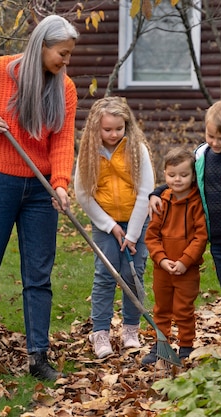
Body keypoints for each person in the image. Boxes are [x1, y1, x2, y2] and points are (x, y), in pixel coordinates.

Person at [0, 15, 79, 382]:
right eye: (62, 54)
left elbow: (63, 140)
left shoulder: (64, 89)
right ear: (42, 45)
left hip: (41, 191)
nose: (66, 62)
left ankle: (38, 358)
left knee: (38, 276)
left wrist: (61, 183)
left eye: (69, 55)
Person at [149, 101, 221, 348]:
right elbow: (183, 178)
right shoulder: (202, 155)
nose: (215, 142)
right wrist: (157, 191)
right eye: (210, 136)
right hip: (218, 239)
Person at [74, 96, 155, 359]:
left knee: (132, 274)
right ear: (96, 128)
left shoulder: (137, 149)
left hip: (137, 221)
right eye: (107, 129)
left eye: (118, 129)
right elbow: (83, 194)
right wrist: (110, 226)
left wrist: (131, 234)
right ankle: (100, 333)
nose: (113, 134)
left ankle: (131, 330)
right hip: (105, 224)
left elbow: (146, 192)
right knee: (105, 275)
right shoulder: (88, 152)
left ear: (126, 126)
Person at [142, 147, 208, 365]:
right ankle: (161, 344)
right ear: (164, 174)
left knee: (184, 309)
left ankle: (186, 346)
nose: (177, 179)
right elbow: (151, 237)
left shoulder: (197, 202)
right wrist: (161, 259)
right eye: (171, 175)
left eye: (183, 175)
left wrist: (184, 261)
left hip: (186, 270)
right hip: (162, 269)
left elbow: (200, 237)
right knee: (161, 309)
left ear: (193, 176)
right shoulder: (161, 201)